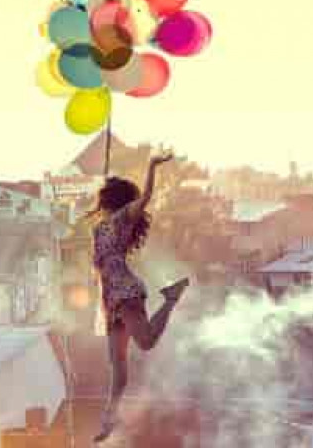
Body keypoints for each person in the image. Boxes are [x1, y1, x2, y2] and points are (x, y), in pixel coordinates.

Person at [89, 150, 190, 443]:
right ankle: (109, 420)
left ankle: (171, 297)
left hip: (124, 290)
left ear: (110, 200)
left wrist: (151, 166)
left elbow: (145, 197)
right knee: (118, 369)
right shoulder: (100, 227)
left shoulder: (122, 218)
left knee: (145, 342)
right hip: (110, 298)